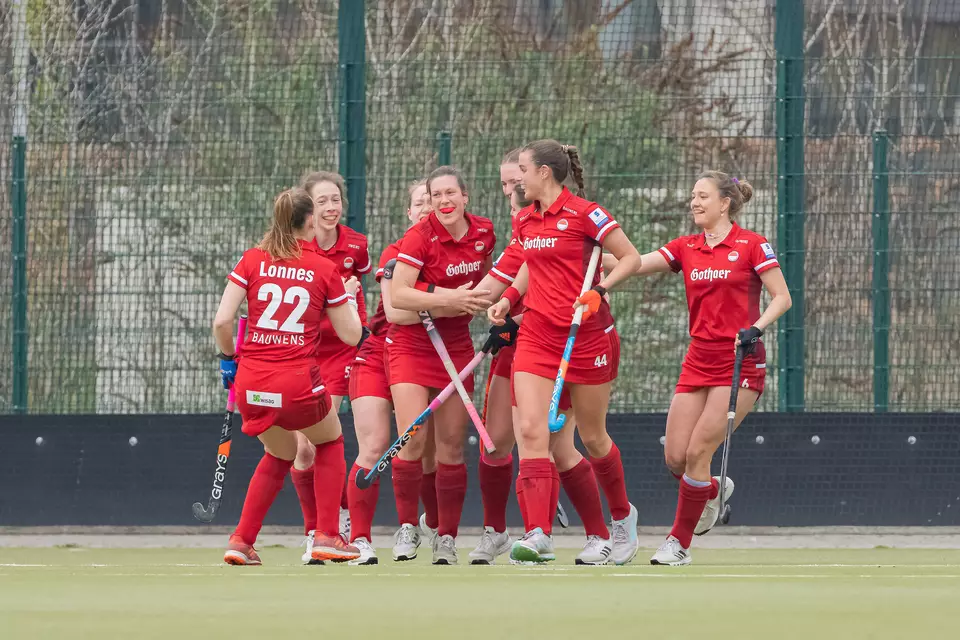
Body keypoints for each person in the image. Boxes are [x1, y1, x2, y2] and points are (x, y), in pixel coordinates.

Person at [487, 140, 642, 565]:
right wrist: (509, 298)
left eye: (523, 170)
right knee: (531, 431)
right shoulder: (525, 218)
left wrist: (599, 291)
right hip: (537, 335)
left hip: (586, 337)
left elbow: (629, 258)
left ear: (544, 173)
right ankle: (538, 534)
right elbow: (528, 264)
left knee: (593, 438)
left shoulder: (586, 214)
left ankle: (622, 516)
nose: (517, 179)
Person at [637, 172, 791, 565]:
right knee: (676, 457)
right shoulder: (685, 247)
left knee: (698, 451)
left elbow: (782, 297)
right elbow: (635, 263)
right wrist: (586, 251)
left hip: (739, 361)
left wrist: (756, 328)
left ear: (725, 203)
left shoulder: (752, 244)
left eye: (703, 196)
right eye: (693, 196)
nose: (694, 202)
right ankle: (711, 490)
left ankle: (678, 543)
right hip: (698, 359)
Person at [217, 188, 363, 566]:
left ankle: (241, 540)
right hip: (297, 383)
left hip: (251, 383)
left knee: (279, 452)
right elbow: (352, 335)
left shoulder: (252, 259)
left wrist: (228, 360)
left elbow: (222, 321)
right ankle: (328, 535)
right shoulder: (324, 268)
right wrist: (347, 297)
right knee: (329, 442)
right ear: (310, 220)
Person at [388, 166, 495, 565]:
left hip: (457, 346)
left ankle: (446, 537)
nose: (444, 202)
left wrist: (492, 304)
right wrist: (449, 299)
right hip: (412, 347)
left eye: (451, 193)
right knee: (413, 440)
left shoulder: (484, 232)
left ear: (465, 196)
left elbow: (487, 285)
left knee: (450, 446)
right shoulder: (419, 237)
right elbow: (399, 295)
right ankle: (407, 527)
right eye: (437, 196)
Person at [344, 180, 436, 565]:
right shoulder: (396, 253)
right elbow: (396, 312)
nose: (427, 207)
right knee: (375, 444)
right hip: (377, 353)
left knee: (425, 449)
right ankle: (360, 540)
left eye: (433, 201)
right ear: (409, 212)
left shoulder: (454, 254)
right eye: (420, 202)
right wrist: (453, 300)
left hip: (425, 356)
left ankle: (427, 525)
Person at [289, 171, 371, 564]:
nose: (331, 207)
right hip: (302, 352)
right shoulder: (293, 249)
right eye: (322, 201)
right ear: (308, 208)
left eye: (335, 199)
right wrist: (337, 294)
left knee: (322, 439)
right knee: (302, 449)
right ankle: (315, 529)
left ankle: (332, 526)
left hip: (338, 352)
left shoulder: (356, 245)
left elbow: (358, 301)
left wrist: (359, 329)